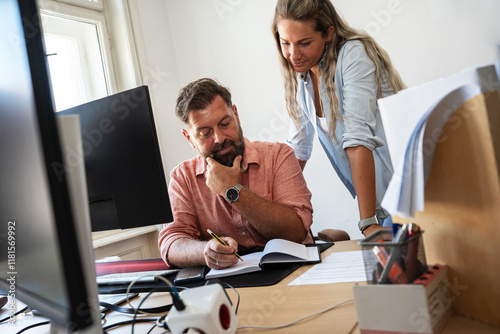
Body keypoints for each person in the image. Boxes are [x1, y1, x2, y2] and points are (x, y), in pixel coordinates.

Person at [272, 0, 406, 237]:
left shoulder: (354, 54)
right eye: (285, 43)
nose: (293, 54)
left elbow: (358, 138)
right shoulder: (302, 78)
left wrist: (367, 222)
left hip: (407, 193)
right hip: (383, 204)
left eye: (304, 43)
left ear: (328, 33)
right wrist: (269, 212)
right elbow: (297, 151)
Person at [158, 78, 314, 269]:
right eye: (205, 133)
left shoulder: (279, 156)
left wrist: (232, 190)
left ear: (236, 115)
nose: (219, 138)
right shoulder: (183, 178)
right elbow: (171, 242)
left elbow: (296, 232)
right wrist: (206, 251)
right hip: (229, 284)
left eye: (225, 123)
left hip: (293, 272)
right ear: (189, 138)